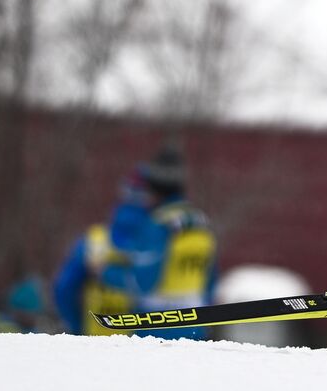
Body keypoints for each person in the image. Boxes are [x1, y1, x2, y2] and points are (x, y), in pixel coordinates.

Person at [53, 143, 218, 339]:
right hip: (187, 329)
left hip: (121, 338)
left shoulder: (101, 239)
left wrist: (76, 327)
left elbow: (64, 289)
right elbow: (209, 282)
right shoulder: (195, 225)